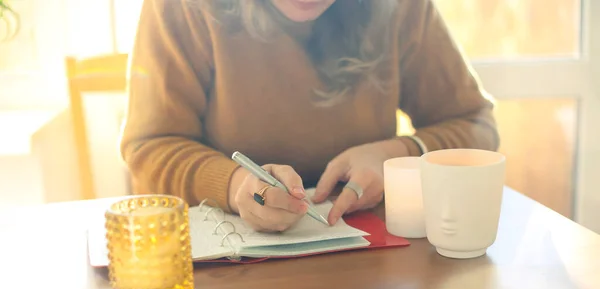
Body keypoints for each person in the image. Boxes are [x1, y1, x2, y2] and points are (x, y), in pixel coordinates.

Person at [120, 0, 499, 232]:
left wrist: (399, 152)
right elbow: (150, 147)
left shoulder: (402, 7)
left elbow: (476, 124)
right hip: (229, 274)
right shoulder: (183, 7)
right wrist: (234, 185)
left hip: (373, 273)